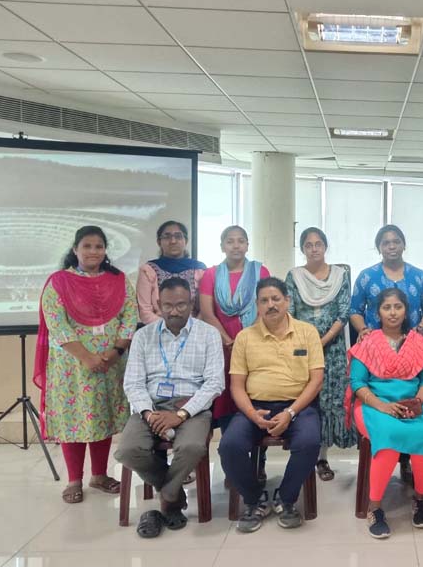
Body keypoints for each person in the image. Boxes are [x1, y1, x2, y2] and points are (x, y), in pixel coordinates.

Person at [33, 225, 138, 504]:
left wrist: (115, 352)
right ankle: (74, 480)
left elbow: (130, 317)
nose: (93, 251)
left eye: (99, 246)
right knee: (75, 419)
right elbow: (57, 325)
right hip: (73, 368)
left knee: (101, 417)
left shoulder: (119, 280)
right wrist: (87, 357)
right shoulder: (58, 281)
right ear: (75, 249)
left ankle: (100, 475)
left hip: (111, 363)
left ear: (105, 251)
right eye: (87, 246)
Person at [117, 277, 224, 538]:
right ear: (158, 304)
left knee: (191, 447)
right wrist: (149, 413)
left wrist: (181, 414)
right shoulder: (143, 336)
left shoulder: (208, 334)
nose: (174, 311)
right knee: (128, 450)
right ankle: (173, 493)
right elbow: (132, 382)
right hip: (150, 406)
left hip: (191, 405)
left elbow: (214, 383)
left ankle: (167, 496)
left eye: (181, 305)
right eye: (167, 305)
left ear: (191, 303)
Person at [218, 277, 323, 533]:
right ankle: (255, 499)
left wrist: (290, 412)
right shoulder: (244, 338)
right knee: (229, 446)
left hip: (297, 407)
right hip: (255, 407)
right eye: (264, 300)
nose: (271, 305)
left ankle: (285, 498)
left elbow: (316, 380)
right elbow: (236, 386)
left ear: (288, 301)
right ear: (257, 305)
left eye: (276, 299)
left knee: (310, 442)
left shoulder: (307, 332)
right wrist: (253, 415)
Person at [347, 288, 423, 539]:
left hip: (415, 402)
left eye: (398, 307)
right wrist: (383, 407)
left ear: (406, 310)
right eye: (387, 307)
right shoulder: (367, 342)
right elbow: (357, 383)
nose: (392, 312)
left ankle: (420, 499)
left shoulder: (418, 342)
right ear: (377, 312)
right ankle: (375, 508)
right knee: (388, 436)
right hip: (373, 404)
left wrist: (417, 401)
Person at [285, 227, 356, 481]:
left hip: (334, 347)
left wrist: (323, 341)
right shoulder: (294, 276)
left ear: (325, 247)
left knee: (328, 401)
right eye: (308, 245)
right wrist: (310, 343)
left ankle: (322, 458)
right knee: (307, 400)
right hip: (302, 349)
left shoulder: (340, 275)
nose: (314, 249)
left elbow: (344, 312)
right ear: (302, 249)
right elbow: (289, 312)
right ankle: (306, 454)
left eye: (318, 244)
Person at [198, 225, 270, 432]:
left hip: (256, 343)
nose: (235, 245)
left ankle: (259, 458)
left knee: (256, 392)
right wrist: (228, 341)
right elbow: (207, 313)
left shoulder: (260, 271)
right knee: (227, 398)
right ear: (222, 246)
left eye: (240, 241)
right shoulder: (210, 275)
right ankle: (231, 451)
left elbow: (265, 308)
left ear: (247, 245)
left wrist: (246, 339)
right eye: (230, 241)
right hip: (222, 346)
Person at [350, 224, 423, 342]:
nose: (392, 246)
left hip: (412, 343)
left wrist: (420, 329)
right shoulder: (366, 276)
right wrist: (363, 329)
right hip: (375, 345)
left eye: (396, 242)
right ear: (379, 248)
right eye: (386, 243)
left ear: (404, 245)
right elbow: (354, 311)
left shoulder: (420, 276)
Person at [136, 220, 206, 325]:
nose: (173, 241)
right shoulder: (148, 270)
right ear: (159, 242)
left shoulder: (200, 270)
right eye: (167, 237)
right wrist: (168, 329)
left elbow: (205, 309)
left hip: (194, 332)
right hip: (158, 332)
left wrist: (191, 328)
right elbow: (145, 311)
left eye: (178, 236)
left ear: (185, 241)